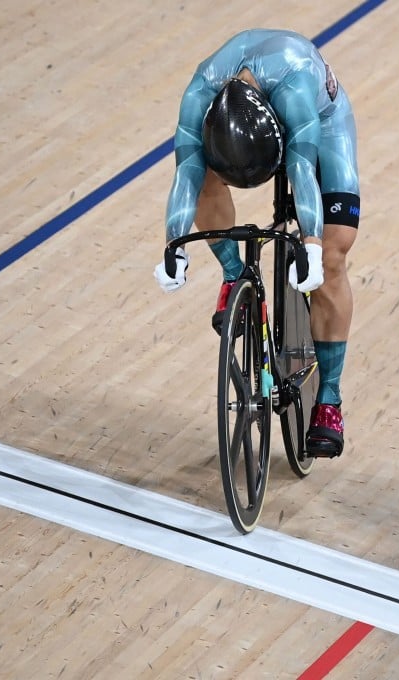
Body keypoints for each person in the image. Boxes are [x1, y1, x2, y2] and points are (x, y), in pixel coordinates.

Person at [154, 29, 360, 458]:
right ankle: (234, 275)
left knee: (335, 251)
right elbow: (185, 176)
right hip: (252, 111)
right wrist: (174, 245)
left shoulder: (296, 87)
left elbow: (302, 171)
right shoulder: (200, 95)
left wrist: (312, 246)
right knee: (203, 178)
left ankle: (330, 400)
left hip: (321, 123)